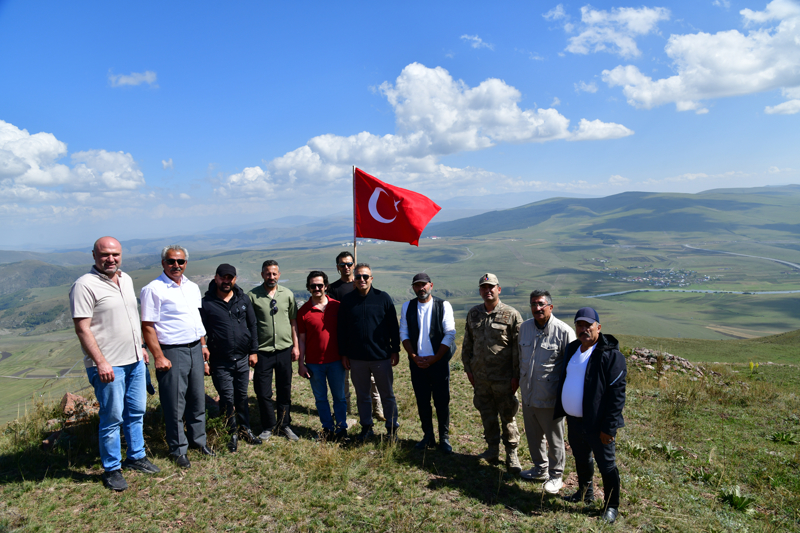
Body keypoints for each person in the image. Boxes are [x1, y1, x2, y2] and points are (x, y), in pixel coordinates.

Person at [69, 236, 160, 491]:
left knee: (136, 411)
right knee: (112, 417)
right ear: (94, 255)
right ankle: (112, 469)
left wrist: (141, 347)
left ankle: (136, 456)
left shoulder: (126, 279)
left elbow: (131, 319)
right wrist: (100, 362)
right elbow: (82, 328)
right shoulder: (84, 285)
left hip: (135, 360)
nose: (111, 259)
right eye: (105, 255)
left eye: (115, 254)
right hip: (109, 365)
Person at [141, 245, 213, 468]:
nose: (176, 265)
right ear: (163, 263)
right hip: (171, 350)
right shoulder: (153, 289)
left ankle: (198, 441)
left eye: (180, 261)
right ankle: (178, 449)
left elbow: (195, 319)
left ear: (186, 263)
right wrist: (158, 356)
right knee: (175, 403)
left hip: (194, 348)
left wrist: (202, 344)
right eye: (171, 261)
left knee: (197, 398)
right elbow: (148, 326)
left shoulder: (192, 287)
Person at [554, 307, 627, 524]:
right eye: (579, 325)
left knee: (607, 464)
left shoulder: (610, 355)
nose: (584, 329)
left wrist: (609, 428)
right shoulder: (573, 348)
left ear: (599, 327)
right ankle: (585, 494)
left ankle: (611, 506)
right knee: (581, 458)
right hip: (575, 420)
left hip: (599, 424)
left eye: (588, 325)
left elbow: (617, 395)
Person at [461, 273, 523, 473]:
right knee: (487, 414)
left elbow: (518, 348)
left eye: (491, 287)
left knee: (508, 416)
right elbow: (467, 343)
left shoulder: (511, 314)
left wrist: (516, 375)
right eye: (484, 287)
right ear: (480, 290)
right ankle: (492, 449)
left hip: (504, 379)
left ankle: (512, 454)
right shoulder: (474, 314)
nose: (487, 290)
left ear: (499, 289)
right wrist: (468, 369)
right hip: (481, 378)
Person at [199, 263, 263, 452]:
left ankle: (245, 429)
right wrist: (204, 354)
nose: (226, 281)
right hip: (220, 360)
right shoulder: (207, 303)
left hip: (242, 358)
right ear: (216, 278)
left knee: (241, 396)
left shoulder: (243, 299)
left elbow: (252, 325)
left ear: (235, 279)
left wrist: (254, 351)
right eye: (223, 277)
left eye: (230, 278)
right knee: (227, 398)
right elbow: (200, 330)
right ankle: (231, 432)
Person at [518, 290, 576, 494]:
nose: (537, 308)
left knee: (555, 439)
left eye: (541, 304)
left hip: (550, 398)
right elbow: (519, 358)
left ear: (550, 307)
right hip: (528, 395)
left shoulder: (564, 332)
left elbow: (572, 367)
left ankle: (556, 476)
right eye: (533, 304)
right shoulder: (524, 328)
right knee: (533, 436)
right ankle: (539, 469)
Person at [337, 263, 400, 443]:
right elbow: (341, 330)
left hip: (381, 357)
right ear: (354, 279)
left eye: (365, 276)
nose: (362, 279)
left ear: (371, 278)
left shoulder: (383, 298)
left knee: (387, 394)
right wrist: (344, 354)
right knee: (362, 395)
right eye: (358, 276)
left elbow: (393, 326)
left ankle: (392, 428)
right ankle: (366, 427)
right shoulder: (347, 301)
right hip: (356, 358)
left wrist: (395, 349)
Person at [399, 273, 456, 454]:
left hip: (438, 363)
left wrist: (436, 357)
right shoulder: (407, 306)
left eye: (424, 284)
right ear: (413, 287)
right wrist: (414, 356)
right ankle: (428, 436)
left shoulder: (443, 305)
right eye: (417, 285)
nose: (421, 288)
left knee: (442, 401)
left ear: (431, 285)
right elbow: (404, 333)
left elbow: (450, 333)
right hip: (417, 364)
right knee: (422, 401)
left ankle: (444, 438)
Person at [327, 250, 384, 421]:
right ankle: (345, 409)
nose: (346, 267)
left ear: (354, 265)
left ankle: (377, 409)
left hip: (366, 342)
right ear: (337, 267)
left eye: (349, 264)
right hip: (344, 340)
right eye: (342, 264)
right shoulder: (333, 289)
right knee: (343, 379)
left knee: (372, 379)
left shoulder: (362, 282)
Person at [248, 260, 300, 441]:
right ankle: (268, 426)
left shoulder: (287, 294)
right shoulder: (252, 296)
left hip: (285, 349)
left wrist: (296, 346)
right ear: (262, 274)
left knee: (284, 388)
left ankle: (284, 425)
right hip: (262, 351)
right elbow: (249, 325)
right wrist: (251, 351)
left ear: (279, 274)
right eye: (268, 273)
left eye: (274, 273)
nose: (271, 277)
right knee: (263, 392)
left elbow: (293, 321)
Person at [296, 271, 347, 441]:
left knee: (339, 397)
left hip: (336, 361)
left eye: (320, 285)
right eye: (313, 286)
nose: (317, 288)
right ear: (308, 288)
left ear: (326, 286)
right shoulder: (303, 311)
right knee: (320, 398)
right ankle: (327, 428)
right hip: (313, 363)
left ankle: (341, 429)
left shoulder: (337, 306)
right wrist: (301, 364)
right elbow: (301, 340)